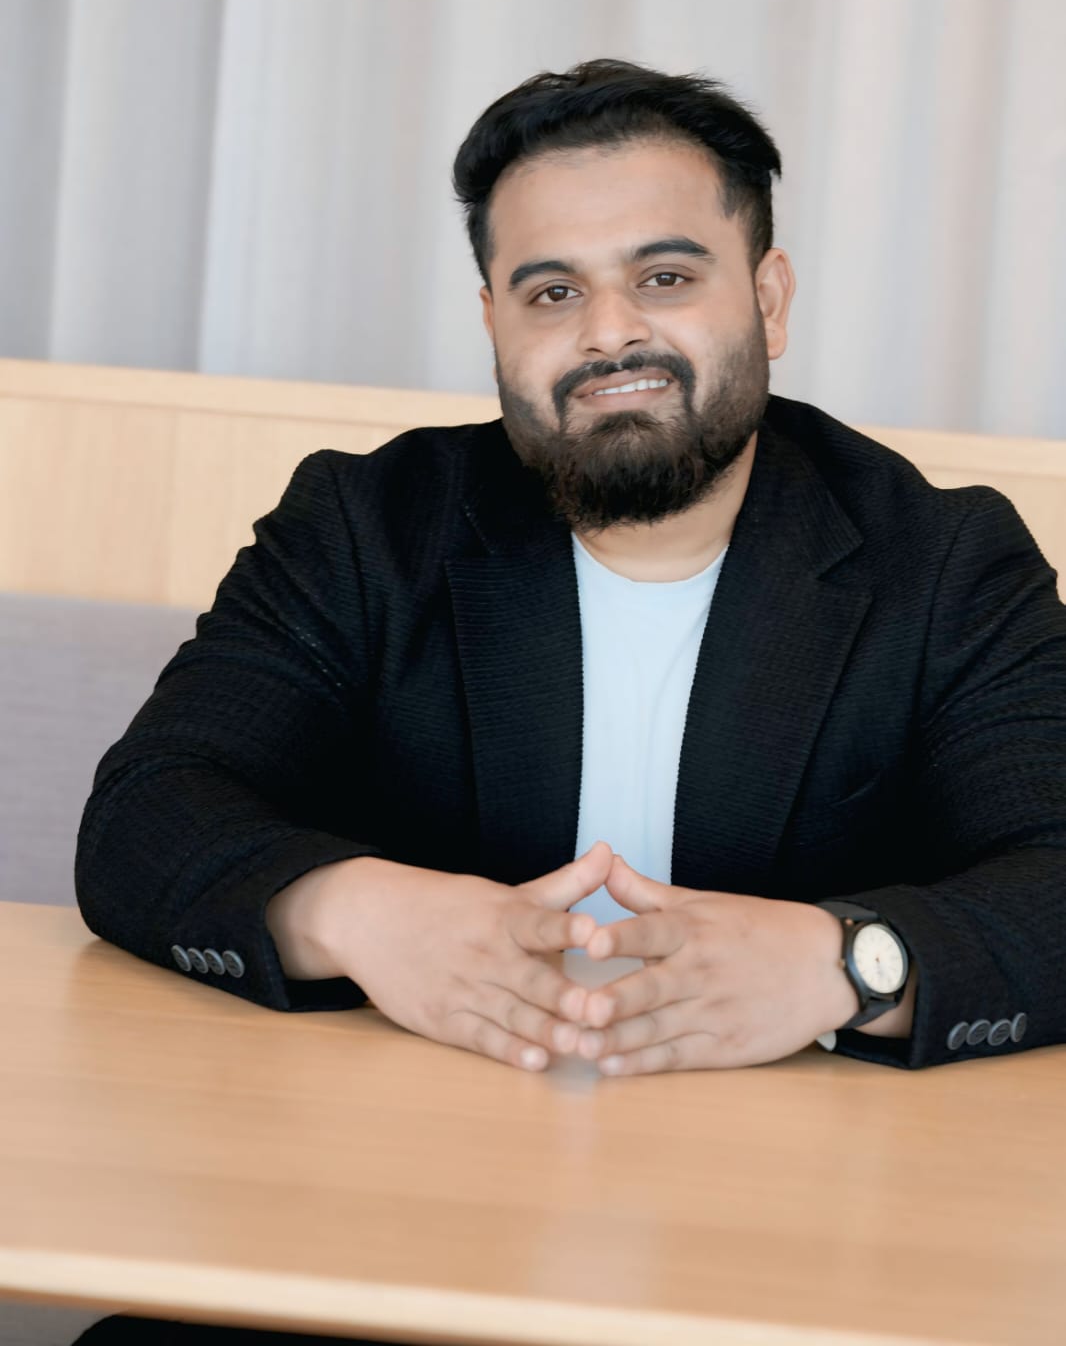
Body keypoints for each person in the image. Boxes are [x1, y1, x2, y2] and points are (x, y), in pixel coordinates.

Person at [76, 58, 1066, 1098]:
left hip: (794, 1143)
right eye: (552, 292)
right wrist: (356, 912)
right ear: (494, 324)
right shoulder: (365, 527)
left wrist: (847, 963)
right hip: (428, 1114)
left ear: (768, 301)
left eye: (665, 278)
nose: (608, 332)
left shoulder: (945, 560)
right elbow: (147, 813)